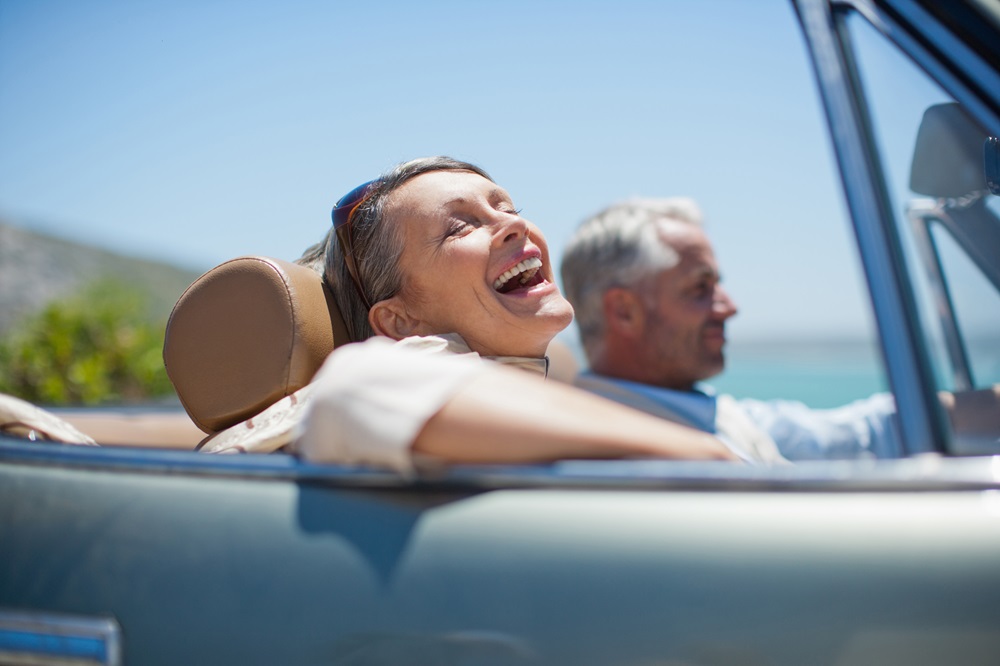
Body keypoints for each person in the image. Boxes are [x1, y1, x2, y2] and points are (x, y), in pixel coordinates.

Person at [202, 157, 787, 468]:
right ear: (399, 323)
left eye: (507, 207)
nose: (513, 224)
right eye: (462, 225)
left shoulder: (500, 406)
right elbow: (358, 387)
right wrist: (710, 460)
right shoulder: (399, 368)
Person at [560, 198, 999, 460]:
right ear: (624, 313)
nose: (729, 308)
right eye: (700, 288)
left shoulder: (714, 415)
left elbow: (857, 433)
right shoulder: (604, 447)